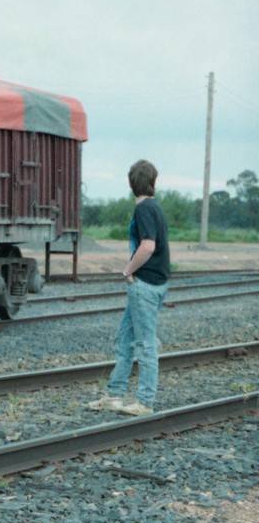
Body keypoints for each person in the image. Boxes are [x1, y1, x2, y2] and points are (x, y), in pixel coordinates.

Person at [88, 159, 171, 416]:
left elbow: (147, 246)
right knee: (124, 340)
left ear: (130, 183)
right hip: (156, 283)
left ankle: (145, 402)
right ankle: (115, 395)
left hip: (144, 285)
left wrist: (127, 270)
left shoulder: (144, 209)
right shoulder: (156, 208)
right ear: (153, 182)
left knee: (145, 345)